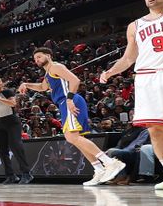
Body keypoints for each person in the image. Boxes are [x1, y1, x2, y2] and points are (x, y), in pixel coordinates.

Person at [100, 0, 163, 190]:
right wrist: (110, 72)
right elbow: (129, 57)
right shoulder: (135, 25)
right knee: (156, 129)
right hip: (147, 77)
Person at [19, 47, 124, 186]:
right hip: (65, 102)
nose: (36, 60)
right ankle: (99, 169)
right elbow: (42, 87)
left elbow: (75, 80)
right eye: (35, 58)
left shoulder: (55, 67)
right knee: (76, 139)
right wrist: (26, 84)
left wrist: (69, 100)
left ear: (48, 55)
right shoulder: (48, 73)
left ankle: (110, 162)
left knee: (71, 137)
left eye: (39, 56)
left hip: (69, 101)